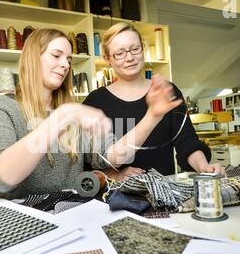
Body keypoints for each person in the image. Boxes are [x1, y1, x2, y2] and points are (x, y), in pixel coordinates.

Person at [0, 28, 182, 199]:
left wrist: (153, 115)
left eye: (68, 59)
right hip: (17, 225)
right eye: (56, 55)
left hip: (68, 217)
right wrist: (63, 116)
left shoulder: (74, 115)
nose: (66, 65)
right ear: (32, 58)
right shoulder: (1, 108)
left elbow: (115, 156)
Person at [83, 23, 223, 181]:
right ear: (107, 59)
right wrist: (116, 175)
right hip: (116, 199)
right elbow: (88, 165)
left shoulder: (167, 91)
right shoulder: (95, 102)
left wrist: (204, 167)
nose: (129, 58)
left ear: (143, 49)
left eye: (135, 49)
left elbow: (187, 142)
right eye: (119, 53)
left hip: (165, 195)